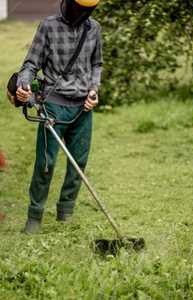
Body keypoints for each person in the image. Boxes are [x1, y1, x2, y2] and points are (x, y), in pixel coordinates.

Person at [15, 0, 103, 233]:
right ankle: (35, 216)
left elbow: (97, 64)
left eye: (87, 10)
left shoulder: (93, 28)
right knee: (46, 163)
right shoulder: (48, 26)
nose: (82, 13)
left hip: (83, 108)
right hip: (53, 105)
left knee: (78, 163)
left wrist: (94, 90)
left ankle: (66, 210)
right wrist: (23, 85)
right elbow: (31, 64)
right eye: (79, 8)